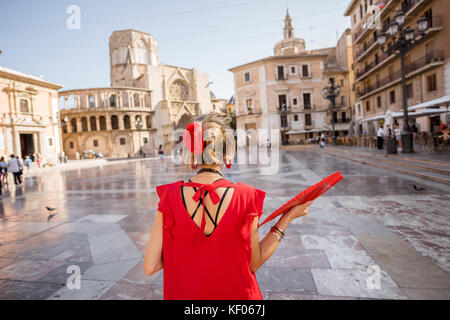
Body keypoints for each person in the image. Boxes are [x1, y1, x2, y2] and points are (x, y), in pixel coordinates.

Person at [143, 112, 313, 300]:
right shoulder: (246, 197)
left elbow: (150, 267)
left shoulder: (170, 196)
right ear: (229, 151)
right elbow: (254, 263)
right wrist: (287, 218)